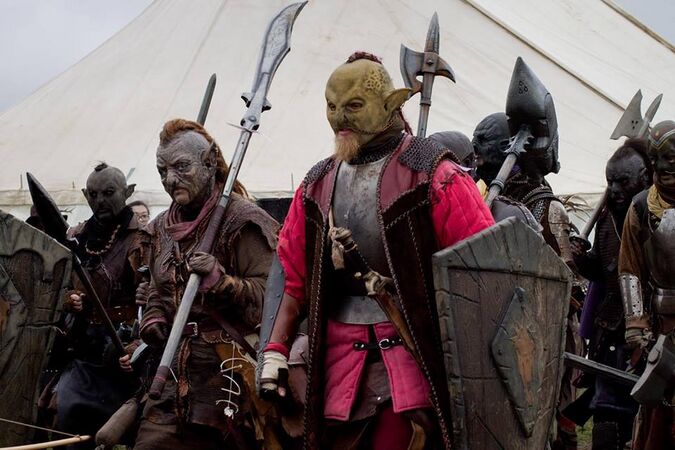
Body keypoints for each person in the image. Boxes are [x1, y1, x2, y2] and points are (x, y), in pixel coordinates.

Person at [257, 52, 494, 449]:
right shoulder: (317, 184)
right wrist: (275, 350)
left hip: (417, 355)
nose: (339, 119)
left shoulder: (434, 173)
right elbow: (294, 277)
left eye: (353, 106)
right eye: (331, 106)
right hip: (336, 363)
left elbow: (482, 277)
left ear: (389, 105)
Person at [133, 119, 278, 450]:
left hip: (229, 376)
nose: (170, 179)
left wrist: (221, 282)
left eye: (181, 167)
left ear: (210, 162)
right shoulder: (159, 229)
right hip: (171, 375)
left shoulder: (243, 221)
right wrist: (154, 315)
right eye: (162, 171)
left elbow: (273, 298)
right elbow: (158, 285)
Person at [472, 111, 579, 449]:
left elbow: (566, 287)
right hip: (498, 328)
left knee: (549, 421)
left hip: (543, 331)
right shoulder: (482, 201)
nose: (476, 156)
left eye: (483, 146)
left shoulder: (547, 208)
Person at [55, 162, 148, 448]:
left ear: (127, 192)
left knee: (136, 428)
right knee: (68, 416)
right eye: (93, 195)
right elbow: (57, 284)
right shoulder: (75, 237)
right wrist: (69, 299)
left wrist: (137, 346)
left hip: (125, 352)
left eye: (109, 193)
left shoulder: (142, 240)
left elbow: (156, 301)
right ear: (85, 195)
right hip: (84, 349)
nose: (100, 201)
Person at [570, 139, 651, 449]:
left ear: (644, 178)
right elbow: (604, 272)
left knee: (643, 419)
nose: (614, 189)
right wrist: (581, 258)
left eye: (622, 181)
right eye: (610, 181)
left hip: (648, 334)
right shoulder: (605, 219)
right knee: (606, 415)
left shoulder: (656, 218)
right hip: (611, 333)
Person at [619, 120, 675, 450]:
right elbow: (631, 270)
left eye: (673, 158)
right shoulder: (642, 207)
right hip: (662, 325)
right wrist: (635, 323)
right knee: (657, 420)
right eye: (658, 158)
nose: (665, 166)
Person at [429, 130, 540, 230]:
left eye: (441, 167)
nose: (430, 175)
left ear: (467, 164)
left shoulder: (505, 215)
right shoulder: (424, 208)